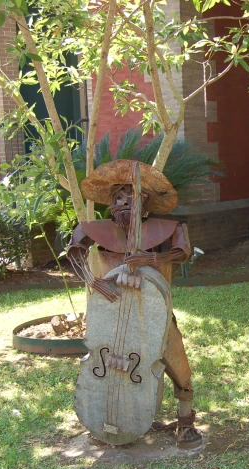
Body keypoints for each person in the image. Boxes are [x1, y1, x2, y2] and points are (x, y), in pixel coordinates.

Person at [67, 159, 202, 448]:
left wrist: (152, 259)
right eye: (117, 198)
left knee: (175, 356)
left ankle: (185, 418)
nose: (123, 203)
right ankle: (118, 413)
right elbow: (73, 253)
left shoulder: (167, 228)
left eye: (131, 197)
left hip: (153, 314)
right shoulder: (96, 228)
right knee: (108, 363)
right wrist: (93, 280)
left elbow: (182, 252)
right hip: (109, 312)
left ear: (146, 203)